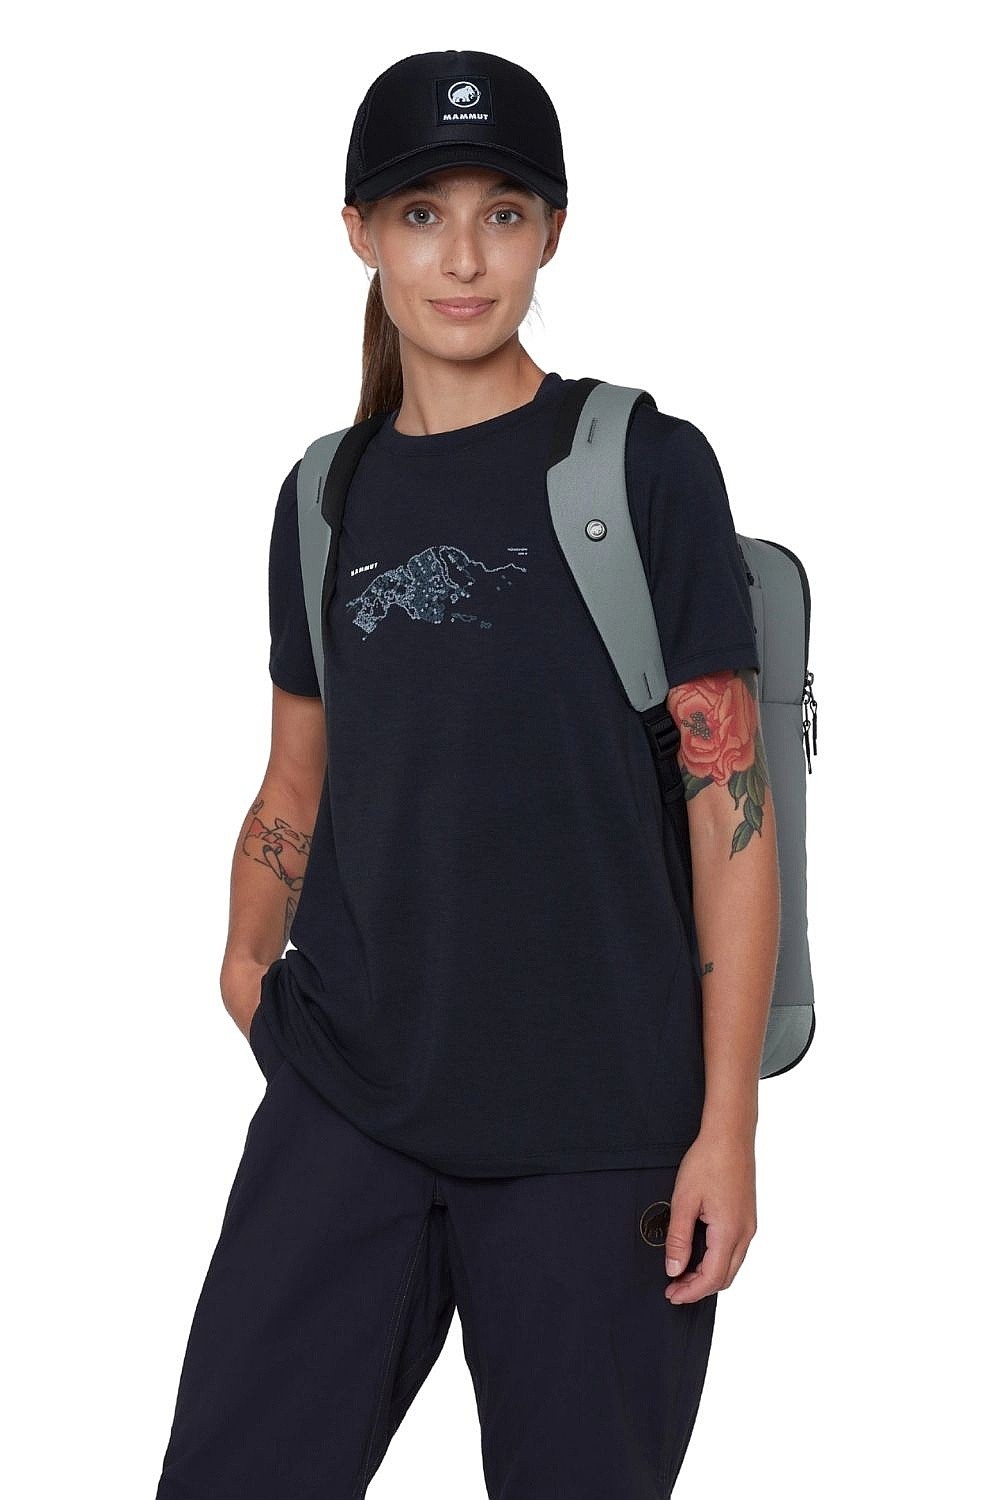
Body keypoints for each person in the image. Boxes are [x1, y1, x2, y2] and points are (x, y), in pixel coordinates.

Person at [154, 47, 780, 1500]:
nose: (463, 257)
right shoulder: (325, 496)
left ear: (551, 231)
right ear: (361, 234)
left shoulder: (645, 467)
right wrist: (246, 973)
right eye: (422, 214)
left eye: (503, 213)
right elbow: (295, 782)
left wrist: (728, 1127)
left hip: (597, 1135)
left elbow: (733, 815)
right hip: (350, 1108)